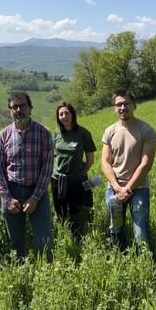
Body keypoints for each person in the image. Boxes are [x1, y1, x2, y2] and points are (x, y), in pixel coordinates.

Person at [0, 91, 54, 258]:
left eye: (22, 106)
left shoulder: (43, 133)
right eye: (14, 107)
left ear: (30, 108)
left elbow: (47, 168)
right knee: (16, 241)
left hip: (38, 191)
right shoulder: (3, 135)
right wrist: (7, 198)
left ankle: (46, 273)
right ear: (10, 111)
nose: (18, 110)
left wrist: (35, 197)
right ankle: (20, 272)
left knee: (44, 239)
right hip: (12, 192)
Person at [101, 89, 156, 251]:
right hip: (114, 189)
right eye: (118, 104)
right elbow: (105, 162)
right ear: (114, 108)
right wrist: (118, 187)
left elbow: (146, 163)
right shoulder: (110, 131)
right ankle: (121, 261)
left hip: (139, 190)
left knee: (141, 232)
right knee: (115, 229)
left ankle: (145, 266)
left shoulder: (146, 130)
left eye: (126, 103)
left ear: (134, 105)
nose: (122, 107)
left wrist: (128, 188)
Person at [52, 102, 97, 240]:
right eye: (61, 114)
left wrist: (81, 173)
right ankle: (60, 238)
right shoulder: (57, 133)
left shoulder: (83, 133)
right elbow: (54, 154)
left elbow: (90, 159)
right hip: (57, 180)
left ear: (73, 115)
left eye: (67, 113)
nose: (64, 116)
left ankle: (77, 239)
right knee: (59, 211)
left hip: (76, 181)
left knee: (75, 211)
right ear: (58, 117)